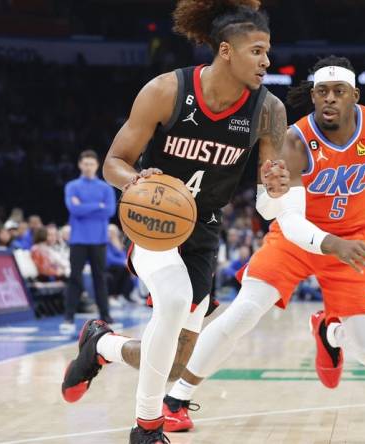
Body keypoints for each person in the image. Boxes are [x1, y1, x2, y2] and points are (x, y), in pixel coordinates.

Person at [59, 1, 288, 442]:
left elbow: (267, 203)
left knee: (174, 363)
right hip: (152, 219)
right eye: (257, 51)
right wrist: (135, 181)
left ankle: (101, 345)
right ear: (225, 50)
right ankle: (147, 427)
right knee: (175, 299)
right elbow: (113, 163)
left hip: (203, 229)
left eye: (268, 51)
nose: (266, 61)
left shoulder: (269, 110)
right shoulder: (167, 90)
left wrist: (276, 191)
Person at [161, 56, 365, 432]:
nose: (330, 100)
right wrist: (330, 242)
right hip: (301, 238)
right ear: (314, 95)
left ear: (355, 95)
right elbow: (288, 220)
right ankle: (176, 397)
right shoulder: (296, 140)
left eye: (339, 92)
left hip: (353, 240)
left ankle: (329, 330)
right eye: (322, 92)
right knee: (243, 312)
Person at [60, 149, 116, 334]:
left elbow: (109, 211)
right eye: (85, 163)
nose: (88, 167)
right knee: (74, 278)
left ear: (97, 165)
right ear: (80, 165)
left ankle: (106, 316)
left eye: (91, 164)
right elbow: (73, 210)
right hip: (78, 239)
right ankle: (68, 316)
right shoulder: (72, 186)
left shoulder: (106, 188)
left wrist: (84, 206)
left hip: (99, 239)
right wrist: (97, 206)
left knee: (100, 278)